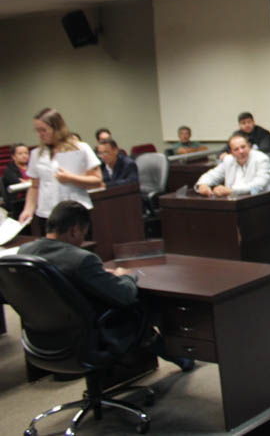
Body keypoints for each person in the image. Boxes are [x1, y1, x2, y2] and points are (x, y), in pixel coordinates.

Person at [19, 200, 193, 371]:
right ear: (75, 230)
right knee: (146, 304)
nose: (82, 240)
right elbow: (124, 295)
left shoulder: (25, 253)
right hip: (91, 335)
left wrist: (98, 275)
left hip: (45, 337)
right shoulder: (81, 260)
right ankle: (181, 353)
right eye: (83, 234)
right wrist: (126, 276)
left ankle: (176, 355)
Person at [19, 108, 103, 236]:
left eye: (44, 130)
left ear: (57, 128)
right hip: (47, 214)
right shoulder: (37, 154)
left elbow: (97, 180)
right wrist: (28, 210)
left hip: (75, 213)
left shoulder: (81, 148)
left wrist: (70, 178)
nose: (40, 134)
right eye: (37, 131)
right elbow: (35, 186)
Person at [196, 134, 270, 197]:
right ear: (231, 152)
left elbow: (258, 185)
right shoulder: (228, 160)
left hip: (260, 201)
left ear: (249, 146)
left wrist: (231, 190)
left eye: (243, 147)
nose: (241, 151)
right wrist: (202, 185)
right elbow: (212, 175)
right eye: (236, 149)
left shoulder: (261, 159)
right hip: (234, 203)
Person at [2, 143, 31, 217]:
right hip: (19, 201)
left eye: (26, 153)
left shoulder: (32, 166)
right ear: (13, 157)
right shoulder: (9, 170)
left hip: (33, 196)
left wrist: (28, 182)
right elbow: (18, 183)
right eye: (20, 154)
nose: (24, 156)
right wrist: (32, 181)